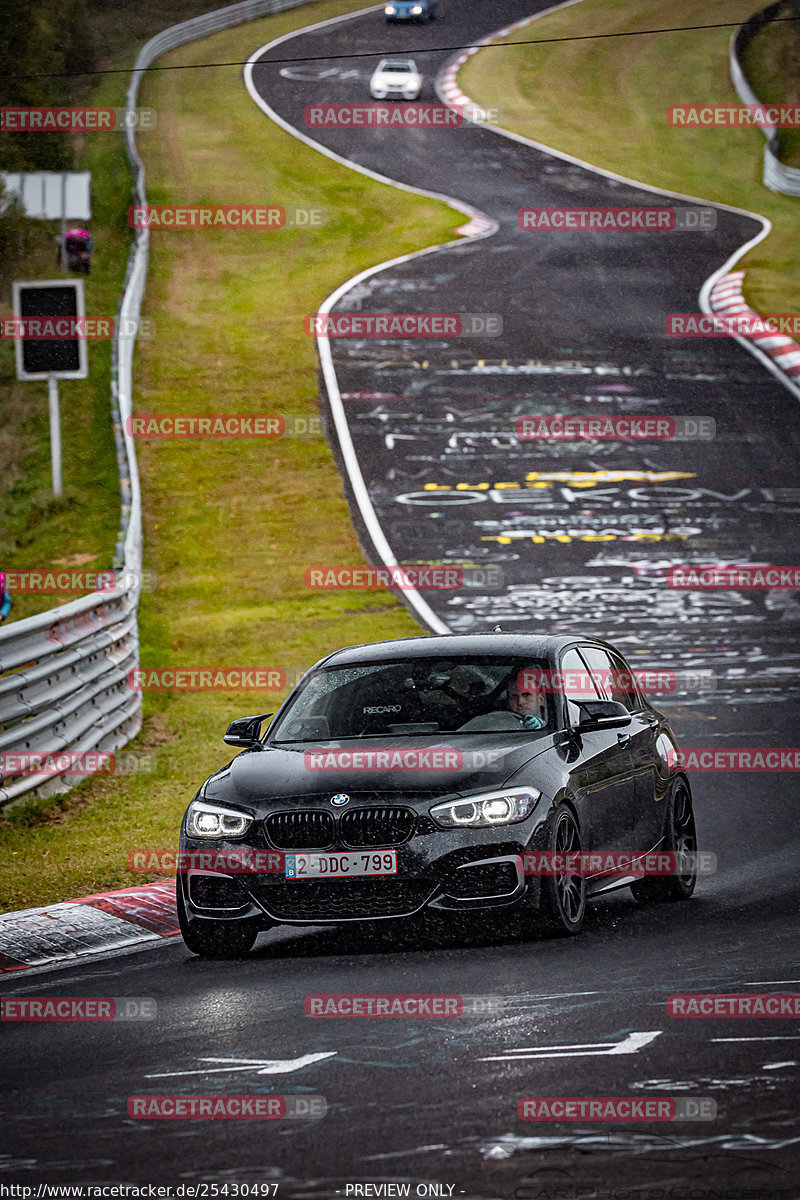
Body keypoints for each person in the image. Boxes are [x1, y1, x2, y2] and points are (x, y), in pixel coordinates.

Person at [457, 666, 547, 732]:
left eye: (526, 695)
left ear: (540, 700)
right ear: (508, 703)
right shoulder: (495, 723)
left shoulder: (551, 728)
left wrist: (542, 726)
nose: (520, 702)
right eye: (513, 697)